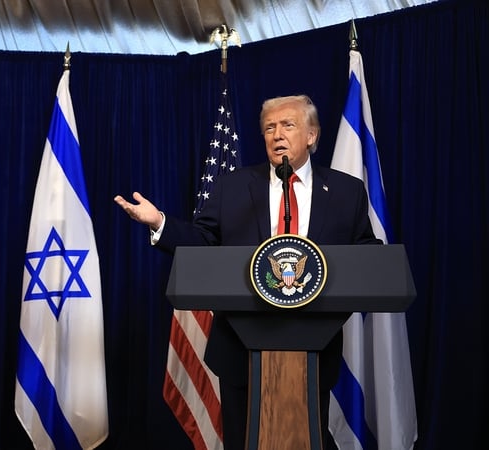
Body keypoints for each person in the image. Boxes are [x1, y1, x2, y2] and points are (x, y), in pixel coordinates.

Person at [114, 94, 381, 450]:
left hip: (314, 351)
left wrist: (380, 262)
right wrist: (160, 223)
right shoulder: (234, 187)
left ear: (311, 135)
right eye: (269, 128)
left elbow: (364, 253)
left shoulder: (347, 192)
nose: (277, 134)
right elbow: (203, 241)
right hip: (241, 349)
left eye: (288, 125)